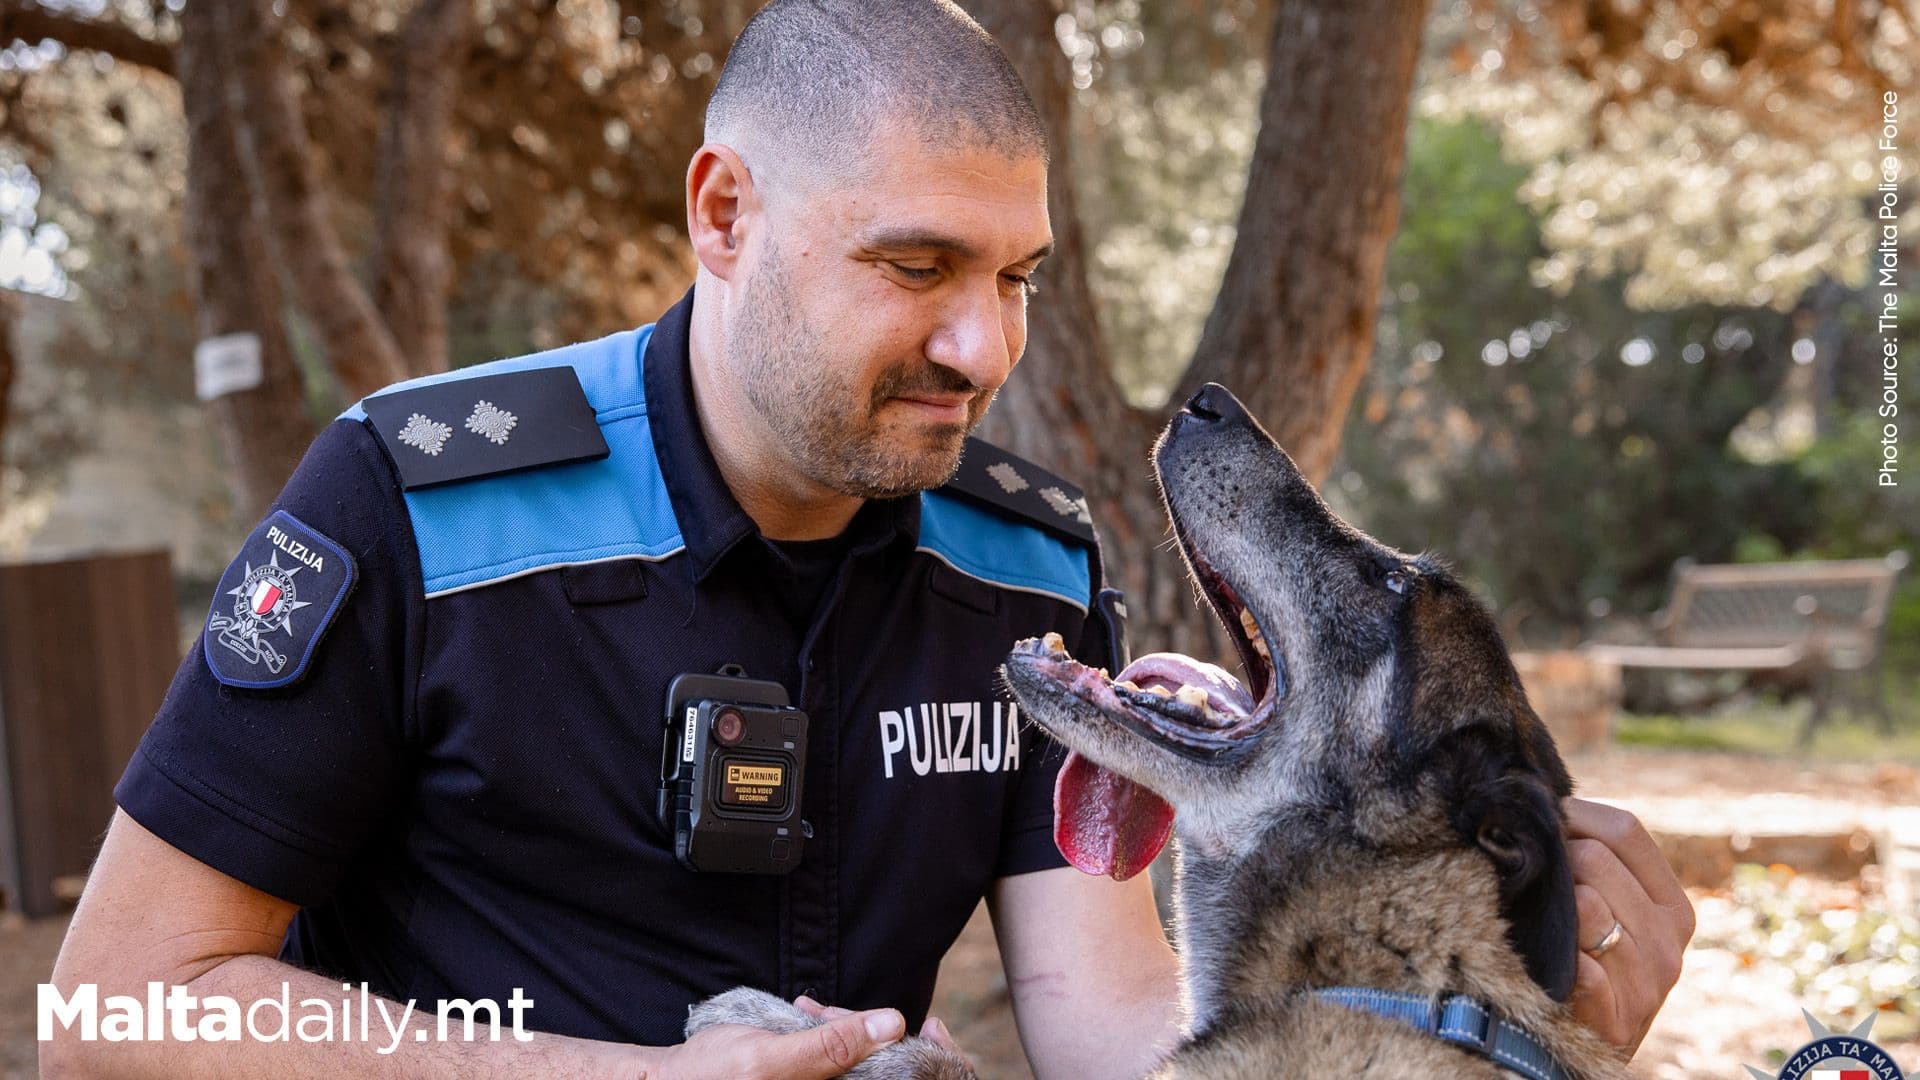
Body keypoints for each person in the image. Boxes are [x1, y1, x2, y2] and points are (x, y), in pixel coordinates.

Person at [44, 1, 1693, 1077]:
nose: (985, 350)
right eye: (916, 267)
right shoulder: (419, 502)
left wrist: (1476, 1036)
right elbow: (111, 1011)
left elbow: (1107, 1022)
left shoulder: (1024, 567)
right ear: (723, 213)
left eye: (1018, 277)